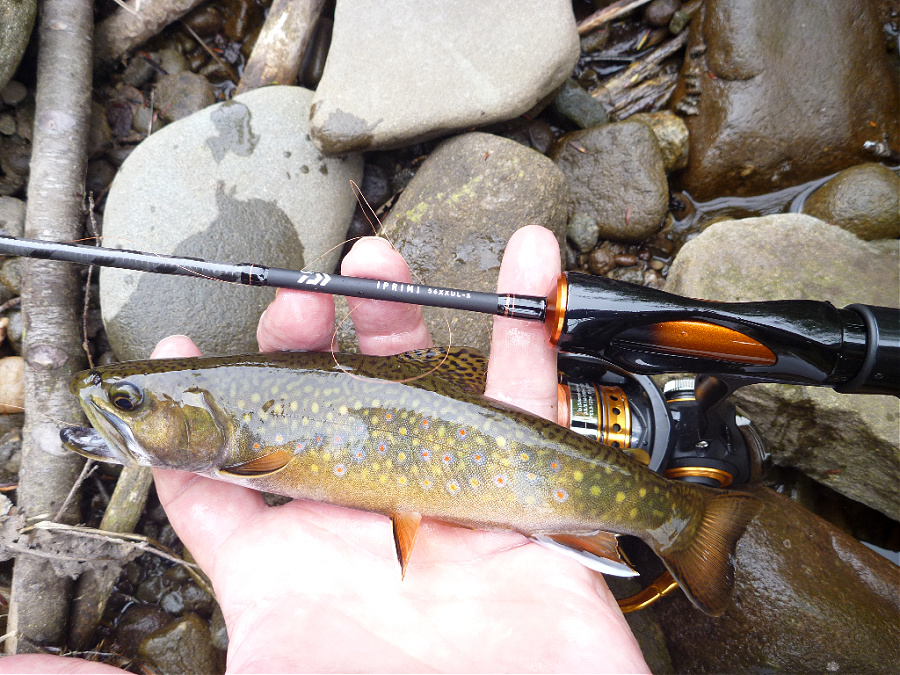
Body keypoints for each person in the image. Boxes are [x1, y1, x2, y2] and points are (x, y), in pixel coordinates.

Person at [2, 226, 650, 673]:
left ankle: (674, 514)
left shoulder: (242, 449)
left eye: (130, 403)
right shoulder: (236, 442)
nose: (114, 405)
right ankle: (664, 514)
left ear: (202, 411)